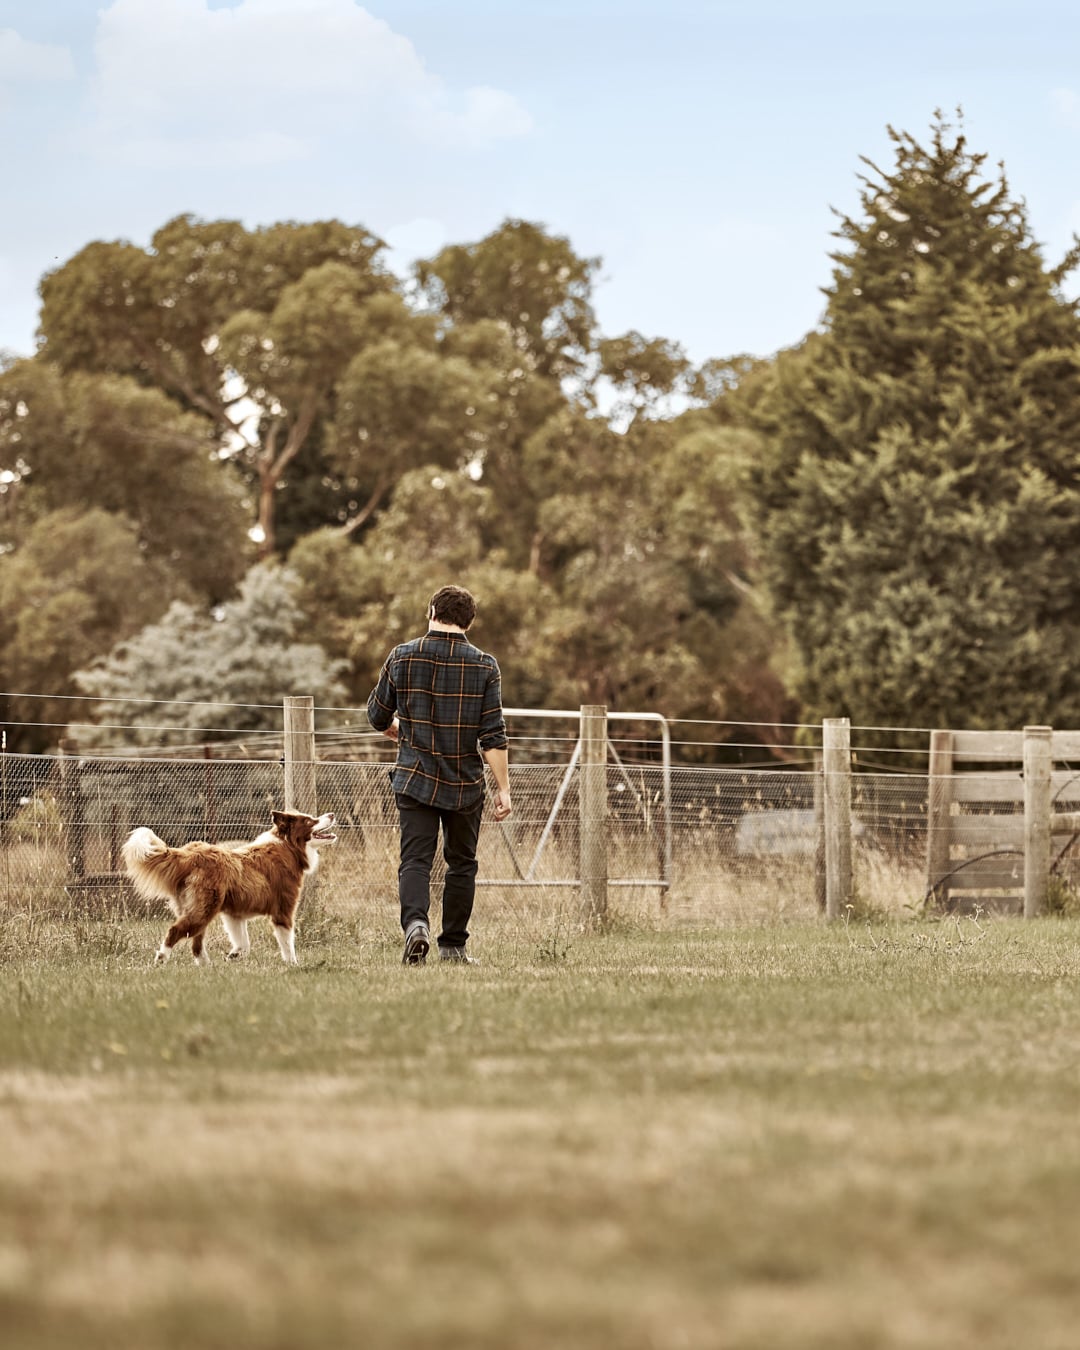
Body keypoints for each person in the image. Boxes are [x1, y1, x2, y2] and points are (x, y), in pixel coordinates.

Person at [367, 585, 512, 965]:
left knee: (415, 859)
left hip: (414, 777)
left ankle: (416, 925)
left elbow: (377, 715)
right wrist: (504, 789)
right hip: (464, 783)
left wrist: (397, 730)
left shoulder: (402, 656)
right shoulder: (484, 665)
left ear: (431, 611)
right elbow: (493, 735)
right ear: (470, 621)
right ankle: (453, 946)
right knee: (461, 863)